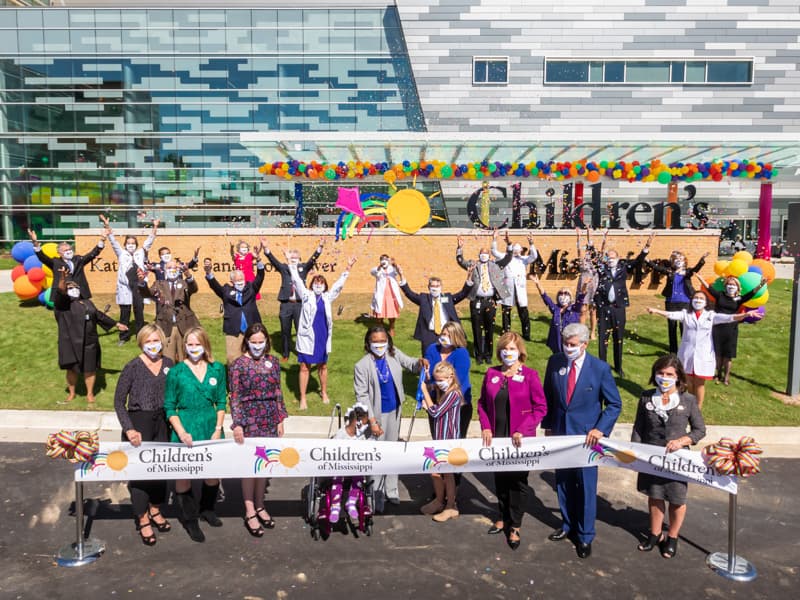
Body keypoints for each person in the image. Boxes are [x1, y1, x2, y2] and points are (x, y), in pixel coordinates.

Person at [542, 322, 622, 559]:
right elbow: (549, 396)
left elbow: (614, 404)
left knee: (586, 487)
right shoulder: (554, 362)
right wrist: (548, 427)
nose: (568, 348)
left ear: (585, 344)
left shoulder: (599, 369)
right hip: (561, 436)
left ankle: (585, 535)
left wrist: (600, 428)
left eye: (573, 345)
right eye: (566, 344)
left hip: (588, 439)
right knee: (563, 482)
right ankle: (567, 525)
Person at [631, 354, 706, 559]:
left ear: (678, 377)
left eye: (669, 374)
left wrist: (683, 441)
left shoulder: (688, 400)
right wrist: (635, 454)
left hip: (677, 460)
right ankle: (655, 535)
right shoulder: (646, 397)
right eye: (660, 373)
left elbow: (699, 431)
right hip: (651, 457)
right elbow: (638, 428)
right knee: (654, 496)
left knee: (676, 499)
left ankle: (672, 537)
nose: (664, 377)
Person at [478, 332, 548, 550]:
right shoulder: (492, 374)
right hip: (497, 436)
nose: (508, 353)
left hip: (519, 438)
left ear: (520, 352)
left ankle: (515, 524)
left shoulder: (530, 375)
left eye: (512, 349)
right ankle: (502, 515)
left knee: (517, 481)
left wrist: (524, 429)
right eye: (504, 349)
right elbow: (481, 404)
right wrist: (486, 426)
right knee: (500, 478)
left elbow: (540, 407)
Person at [164, 327, 228, 543]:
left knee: (212, 474)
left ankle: (207, 509)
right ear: (184, 347)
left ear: (205, 345)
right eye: (189, 345)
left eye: (197, 344)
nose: (194, 348)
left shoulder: (217, 369)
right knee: (184, 475)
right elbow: (170, 407)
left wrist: (218, 429)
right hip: (186, 427)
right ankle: (190, 519)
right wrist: (181, 432)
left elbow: (221, 401)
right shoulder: (176, 372)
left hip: (210, 426)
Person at [113, 324, 174, 546]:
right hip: (139, 423)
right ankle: (142, 517)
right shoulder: (132, 367)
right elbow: (119, 402)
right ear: (141, 343)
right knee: (141, 473)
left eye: (156, 340)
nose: (153, 345)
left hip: (162, 422)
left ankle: (156, 508)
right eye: (148, 341)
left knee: (161, 468)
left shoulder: (168, 364)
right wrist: (129, 428)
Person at [646, 293, 761, 409]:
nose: (698, 300)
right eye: (696, 298)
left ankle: (698, 409)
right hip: (687, 354)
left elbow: (729, 318)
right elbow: (671, 314)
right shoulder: (686, 314)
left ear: (706, 302)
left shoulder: (711, 316)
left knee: (700, 384)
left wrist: (745, 314)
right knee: (688, 382)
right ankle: (690, 406)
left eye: (701, 298)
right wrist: (656, 311)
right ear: (691, 301)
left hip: (703, 354)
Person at [353, 326, 425, 507]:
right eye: (375, 341)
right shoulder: (362, 366)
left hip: (394, 412)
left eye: (382, 341)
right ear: (368, 343)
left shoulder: (393, 354)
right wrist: (373, 422)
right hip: (375, 416)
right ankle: (376, 495)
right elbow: (362, 396)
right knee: (377, 455)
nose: (379, 345)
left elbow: (411, 364)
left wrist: (420, 363)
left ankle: (391, 491)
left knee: (392, 452)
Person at [229, 323, 287, 538]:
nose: (257, 346)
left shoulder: (273, 362)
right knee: (249, 467)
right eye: (253, 342)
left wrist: (281, 418)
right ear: (247, 343)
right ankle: (250, 509)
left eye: (261, 342)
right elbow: (234, 396)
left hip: (270, 418)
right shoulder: (239, 365)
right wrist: (238, 423)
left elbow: (278, 391)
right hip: (249, 418)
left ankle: (260, 504)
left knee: (264, 464)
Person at [288, 250, 356, 409]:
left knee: (322, 366)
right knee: (305, 367)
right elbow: (297, 281)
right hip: (307, 336)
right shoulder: (306, 295)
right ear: (312, 285)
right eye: (316, 283)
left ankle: (324, 391)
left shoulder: (327, 297)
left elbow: (338, 285)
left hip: (322, 336)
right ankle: (303, 397)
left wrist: (348, 267)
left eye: (322, 283)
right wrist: (291, 264)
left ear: (325, 286)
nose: (319, 285)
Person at [53, 268, 127, 404]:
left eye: (75, 287)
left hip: (90, 341)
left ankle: (90, 394)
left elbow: (98, 315)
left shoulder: (87, 302)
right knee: (72, 369)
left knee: (90, 368)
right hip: (71, 342)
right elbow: (60, 291)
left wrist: (116, 324)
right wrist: (62, 278)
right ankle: (72, 393)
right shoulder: (62, 304)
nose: (73, 289)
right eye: (70, 287)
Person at [594, 231, 652, 377]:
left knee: (618, 337)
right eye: (609, 258)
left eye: (613, 258)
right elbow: (594, 257)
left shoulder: (623, 267)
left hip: (618, 308)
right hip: (604, 307)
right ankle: (602, 366)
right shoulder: (602, 269)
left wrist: (646, 247)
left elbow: (638, 261)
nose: (611, 260)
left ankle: (618, 366)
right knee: (603, 338)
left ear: (618, 258)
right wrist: (601, 240)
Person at [694, 273, 767, 385]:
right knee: (718, 353)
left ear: (738, 287)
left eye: (733, 285)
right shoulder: (720, 295)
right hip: (718, 328)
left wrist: (761, 285)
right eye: (729, 284)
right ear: (725, 286)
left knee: (728, 355)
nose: (731, 287)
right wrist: (700, 278)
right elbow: (709, 288)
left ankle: (726, 377)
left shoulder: (739, 299)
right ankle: (718, 374)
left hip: (731, 329)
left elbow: (752, 293)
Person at [101, 214, 159, 345]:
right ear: (125, 244)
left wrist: (155, 226)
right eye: (128, 243)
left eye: (133, 243)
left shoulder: (141, 252)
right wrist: (106, 224)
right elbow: (112, 240)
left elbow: (151, 240)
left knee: (139, 312)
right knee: (125, 313)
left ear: (136, 244)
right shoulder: (121, 253)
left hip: (138, 287)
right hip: (125, 287)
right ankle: (124, 337)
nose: (131, 245)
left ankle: (141, 336)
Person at [205, 241, 266, 363]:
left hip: (252, 328)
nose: (240, 282)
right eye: (237, 280)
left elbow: (260, 276)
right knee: (233, 359)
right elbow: (215, 286)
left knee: (255, 358)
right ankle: (234, 381)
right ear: (232, 282)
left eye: (242, 279)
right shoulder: (226, 291)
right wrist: (208, 273)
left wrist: (259, 260)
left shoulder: (251, 288)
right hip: (233, 330)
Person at [263, 239, 324, 361]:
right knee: (285, 330)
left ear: (299, 258)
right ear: (288, 257)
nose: (294, 258)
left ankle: (302, 352)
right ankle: (285, 354)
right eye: (292, 256)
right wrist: (266, 249)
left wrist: (320, 247)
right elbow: (273, 261)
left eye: (296, 257)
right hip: (286, 304)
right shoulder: (284, 268)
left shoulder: (303, 268)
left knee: (301, 329)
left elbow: (313, 260)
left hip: (300, 304)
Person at [456, 232, 511, 364]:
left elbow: (508, 258)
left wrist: (508, 244)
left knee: (489, 329)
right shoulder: (473, 264)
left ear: (489, 255)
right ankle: (479, 355)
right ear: (479, 255)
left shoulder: (495, 265)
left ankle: (488, 355)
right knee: (476, 328)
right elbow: (460, 261)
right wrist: (459, 248)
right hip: (476, 301)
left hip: (490, 302)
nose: (484, 254)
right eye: (482, 253)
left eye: (486, 253)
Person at [419, 361, 464, 522]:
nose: (438, 383)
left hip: (449, 441)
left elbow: (436, 412)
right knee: (435, 472)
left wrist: (425, 397)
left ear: (451, 377)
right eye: (437, 380)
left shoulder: (453, 394)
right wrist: (427, 375)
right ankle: (439, 501)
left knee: (447, 474)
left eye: (441, 380)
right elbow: (432, 385)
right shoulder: (444, 391)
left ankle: (451, 505)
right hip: (440, 439)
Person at [645, 244, 709, 354]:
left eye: (681, 259)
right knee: (672, 326)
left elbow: (696, 269)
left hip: (685, 301)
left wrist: (702, 260)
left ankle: (685, 347)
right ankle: (673, 350)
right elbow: (657, 268)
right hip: (671, 301)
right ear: (673, 262)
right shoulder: (670, 271)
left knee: (684, 326)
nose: (678, 261)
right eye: (676, 260)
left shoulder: (687, 272)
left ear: (684, 261)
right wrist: (646, 259)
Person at [396, 262, 472, 356]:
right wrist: (401, 275)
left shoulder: (447, 298)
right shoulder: (424, 299)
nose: (435, 288)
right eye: (432, 286)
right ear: (428, 287)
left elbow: (463, 294)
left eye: (437, 286)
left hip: (447, 332)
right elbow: (409, 293)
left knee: (447, 356)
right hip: (429, 334)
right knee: (428, 357)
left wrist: (469, 277)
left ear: (441, 287)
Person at [138, 260, 200, 361]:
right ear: (165, 271)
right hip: (165, 326)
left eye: (174, 267)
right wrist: (141, 282)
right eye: (169, 268)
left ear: (178, 270)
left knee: (184, 358)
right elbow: (147, 294)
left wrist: (188, 275)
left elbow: (194, 289)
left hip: (184, 326)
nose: (172, 270)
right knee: (167, 359)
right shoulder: (159, 284)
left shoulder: (184, 283)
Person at [423, 321, 473, 439]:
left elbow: (457, 380)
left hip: (457, 402)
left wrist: (428, 386)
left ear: (456, 337)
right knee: (437, 436)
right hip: (435, 399)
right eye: (443, 334)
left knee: (457, 438)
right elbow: (427, 372)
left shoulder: (461, 353)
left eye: (449, 335)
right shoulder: (432, 349)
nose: (445, 337)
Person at [29, 227, 106, 299]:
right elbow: (42, 257)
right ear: (59, 253)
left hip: (80, 293)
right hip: (63, 295)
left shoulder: (78, 259)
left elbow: (92, 254)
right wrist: (35, 243)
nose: (68, 251)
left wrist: (102, 240)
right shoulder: (55, 262)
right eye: (65, 250)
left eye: (69, 249)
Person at [328, 402, 372, 524]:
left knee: (359, 476)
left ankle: (351, 502)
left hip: (354, 467)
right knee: (337, 477)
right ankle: (335, 505)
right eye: (364, 423)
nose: (365, 426)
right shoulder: (340, 435)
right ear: (355, 422)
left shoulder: (361, 437)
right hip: (340, 466)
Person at [492, 232, 538, 340]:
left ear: (521, 250)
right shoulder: (505, 256)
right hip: (507, 288)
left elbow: (534, 256)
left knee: (523, 312)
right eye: (515, 249)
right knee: (506, 311)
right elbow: (494, 252)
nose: (516, 251)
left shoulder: (524, 259)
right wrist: (494, 240)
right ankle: (506, 332)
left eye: (518, 249)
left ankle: (526, 334)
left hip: (520, 289)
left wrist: (531, 243)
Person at [531, 273, 586, 354]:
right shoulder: (555, 308)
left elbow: (581, 297)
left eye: (566, 293)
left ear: (570, 296)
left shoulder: (575, 308)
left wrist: (584, 285)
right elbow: (545, 296)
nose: (563, 295)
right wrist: (538, 283)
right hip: (557, 341)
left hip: (571, 340)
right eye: (561, 293)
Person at [574, 228, 601, 339]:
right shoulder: (583, 261)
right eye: (588, 252)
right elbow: (579, 249)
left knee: (593, 311)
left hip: (594, 286)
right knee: (583, 310)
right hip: (584, 286)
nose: (589, 253)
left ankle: (593, 332)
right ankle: (582, 333)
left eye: (591, 252)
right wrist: (579, 236)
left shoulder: (597, 263)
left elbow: (592, 245)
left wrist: (590, 234)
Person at [370, 254, 403, 337]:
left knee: (392, 313)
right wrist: (380, 266)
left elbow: (398, 271)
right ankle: (380, 329)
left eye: (385, 259)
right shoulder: (377, 269)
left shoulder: (392, 269)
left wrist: (394, 264)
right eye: (382, 259)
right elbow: (373, 272)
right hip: (381, 295)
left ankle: (391, 328)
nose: (384, 261)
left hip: (391, 294)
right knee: (379, 314)